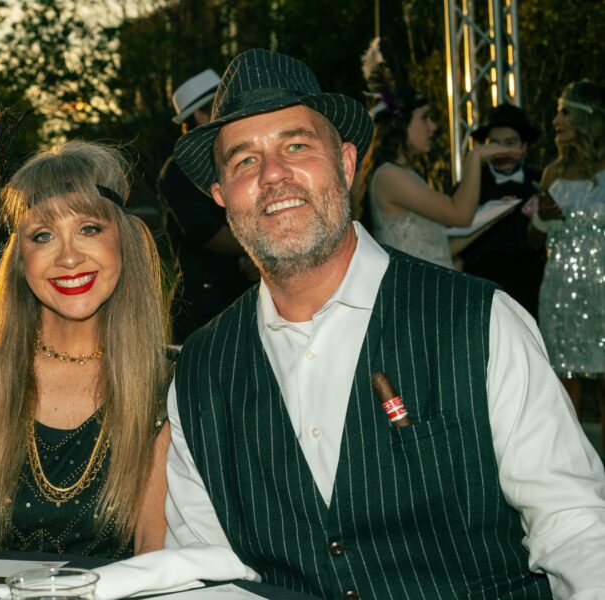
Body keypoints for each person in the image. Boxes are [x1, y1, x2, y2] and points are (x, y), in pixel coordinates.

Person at [165, 49, 605, 598]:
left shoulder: (478, 321)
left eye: (296, 145)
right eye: (245, 161)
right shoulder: (203, 370)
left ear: (347, 165)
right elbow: (204, 570)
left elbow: (574, 527)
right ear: (222, 197)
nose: (274, 175)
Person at [0, 140, 172, 559]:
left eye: (89, 229)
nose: (68, 257)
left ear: (123, 241)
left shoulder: (167, 386)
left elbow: (155, 559)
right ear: (20, 260)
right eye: (44, 235)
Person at [353, 39, 518, 268]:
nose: (433, 127)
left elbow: (441, 248)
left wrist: (493, 217)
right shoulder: (389, 176)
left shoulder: (407, 174)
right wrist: (475, 157)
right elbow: (459, 214)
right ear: (401, 125)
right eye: (424, 118)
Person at [529, 80, 605, 454]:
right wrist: (542, 218)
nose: (556, 119)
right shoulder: (552, 173)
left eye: (564, 110)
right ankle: (574, 476)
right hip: (561, 291)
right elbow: (533, 241)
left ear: (587, 117)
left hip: (602, 291)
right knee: (566, 390)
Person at [158, 69, 254, 343]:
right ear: (200, 115)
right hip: (205, 302)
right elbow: (207, 232)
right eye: (221, 104)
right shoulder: (177, 171)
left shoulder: (233, 157)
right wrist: (259, 251)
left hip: (240, 292)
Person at [459, 103, 546, 318]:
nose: (502, 151)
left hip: (531, 287)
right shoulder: (469, 185)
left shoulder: (542, 181)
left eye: (510, 143)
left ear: (525, 146)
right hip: (482, 288)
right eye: (495, 144)